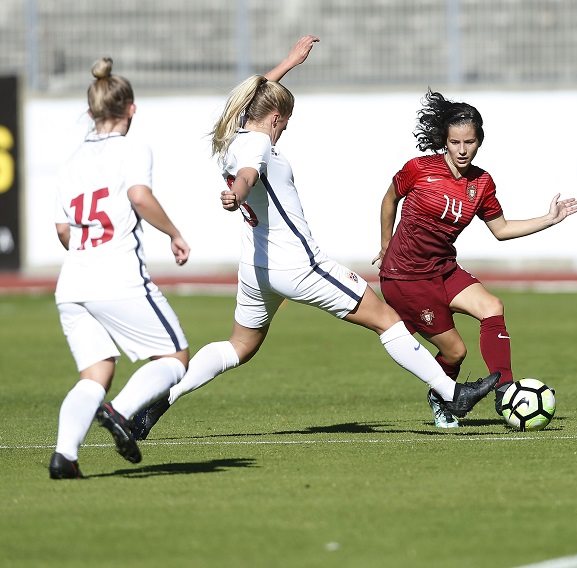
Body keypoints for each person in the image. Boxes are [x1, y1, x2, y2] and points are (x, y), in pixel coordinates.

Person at [131, 36, 497, 439]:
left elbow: (253, 103)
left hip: (257, 267)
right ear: (273, 118)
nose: (285, 127)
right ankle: (452, 392)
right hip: (298, 266)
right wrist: (236, 194)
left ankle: (161, 400)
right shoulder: (256, 146)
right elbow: (250, 173)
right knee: (388, 320)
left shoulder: (233, 132)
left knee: (240, 347)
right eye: (285, 120)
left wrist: (288, 63)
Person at [373, 90, 577, 428]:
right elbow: (389, 199)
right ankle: (442, 396)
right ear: (445, 141)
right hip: (406, 277)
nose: (463, 149)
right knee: (455, 352)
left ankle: (505, 388)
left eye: (469, 141)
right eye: (455, 142)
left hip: (443, 269)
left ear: (479, 141)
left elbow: (501, 229)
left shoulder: (482, 183)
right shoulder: (418, 170)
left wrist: (549, 219)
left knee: (492, 307)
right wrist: (385, 245)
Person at [49, 58, 191, 479]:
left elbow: (62, 229)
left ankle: (64, 457)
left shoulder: (71, 160)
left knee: (97, 372)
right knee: (175, 356)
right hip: (118, 276)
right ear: (130, 108)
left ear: (92, 111)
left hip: (72, 282)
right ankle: (120, 412)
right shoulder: (132, 148)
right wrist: (174, 233)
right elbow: (140, 196)